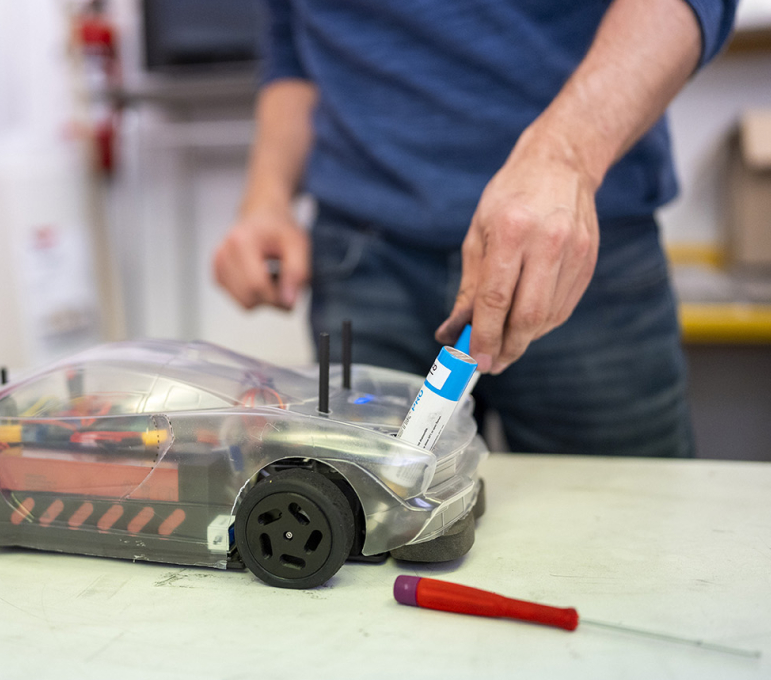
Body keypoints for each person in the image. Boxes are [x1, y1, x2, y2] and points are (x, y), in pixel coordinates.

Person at [213, 0, 738, 457]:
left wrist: (565, 154)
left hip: (574, 252)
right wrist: (267, 199)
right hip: (359, 261)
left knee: (628, 536)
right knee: (360, 531)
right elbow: (293, 39)